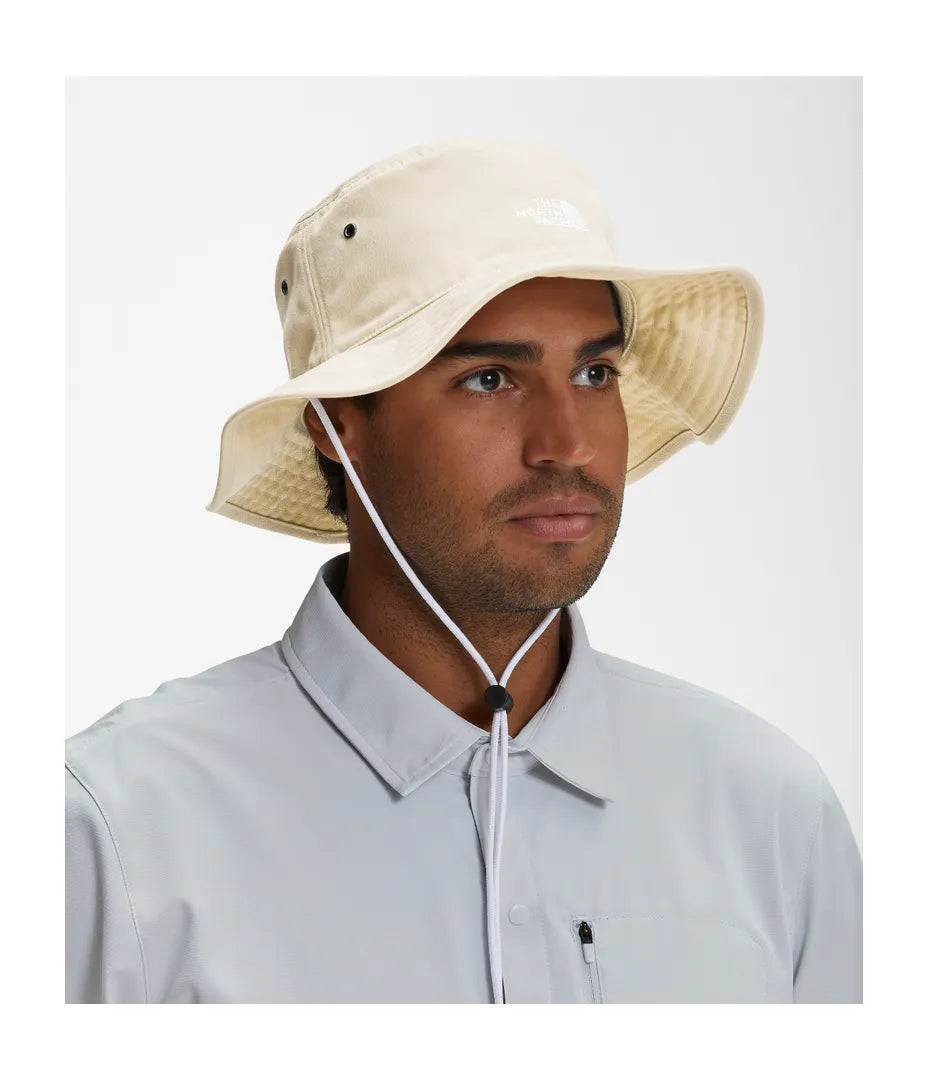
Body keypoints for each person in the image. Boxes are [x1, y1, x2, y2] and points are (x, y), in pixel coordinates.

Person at [65, 137, 862, 1004]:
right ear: (337, 424)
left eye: (594, 372)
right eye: (490, 379)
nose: (569, 443)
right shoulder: (117, 833)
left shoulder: (767, 812)